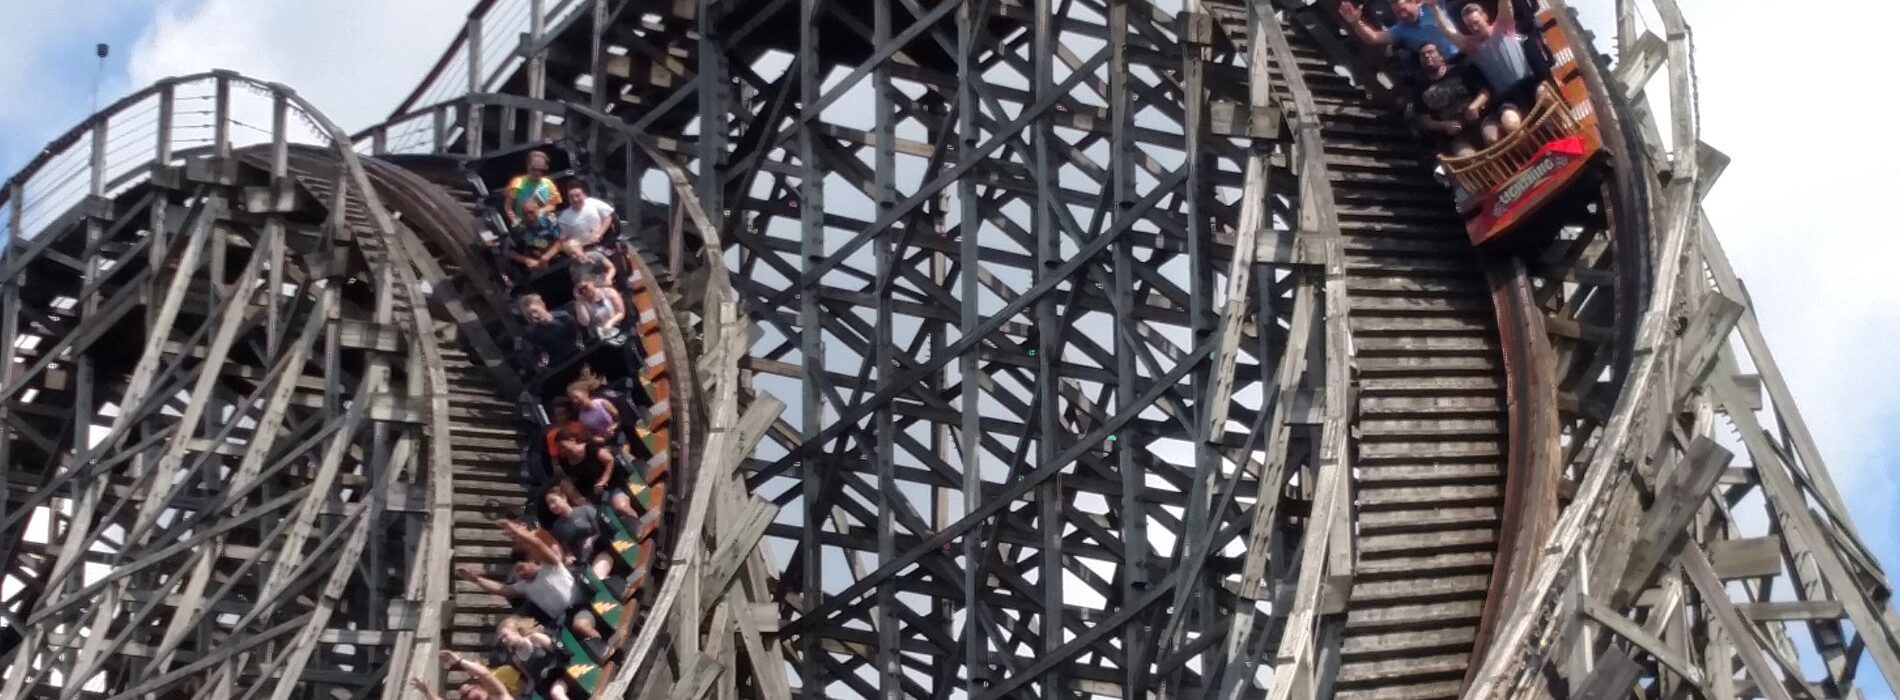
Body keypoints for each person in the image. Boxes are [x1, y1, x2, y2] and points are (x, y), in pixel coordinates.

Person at [453, 519, 605, 642]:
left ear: (532, 561)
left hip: (580, 608)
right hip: (561, 623)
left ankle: (603, 647)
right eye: (516, 572)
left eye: (521, 568)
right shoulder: (524, 586)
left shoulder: (550, 566)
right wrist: (476, 579)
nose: (520, 574)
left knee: (581, 626)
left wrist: (517, 531)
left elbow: (536, 544)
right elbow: (502, 590)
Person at [1433, 0, 1533, 136]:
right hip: (1507, 97)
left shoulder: (1503, 26)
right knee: (1511, 124)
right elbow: (1448, 31)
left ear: (1485, 16)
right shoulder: (1471, 45)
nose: (1474, 28)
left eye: (1476, 22)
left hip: (1529, 83)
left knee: (1547, 96)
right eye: (1469, 26)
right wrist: (1433, 6)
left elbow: (1505, 4)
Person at [1407, 43, 1493, 154]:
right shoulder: (1419, 89)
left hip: (1482, 119)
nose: (1427, 56)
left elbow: (1485, 91)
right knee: (1467, 157)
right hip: (1456, 136)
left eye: (1431, 52)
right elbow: (1424, 120)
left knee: (1492, 138)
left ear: (1441, 56)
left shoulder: (1461, 70)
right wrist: (1444, 126)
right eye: (1423, 55)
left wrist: (1474, 106)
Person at [501, 151, 566, 272]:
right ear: (528, 167)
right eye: (533, 169)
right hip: (522, 221)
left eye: (540, 170)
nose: (536, 172)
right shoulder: (518, 183)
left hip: (543, 220)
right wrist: (514, 219)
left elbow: (553, 205)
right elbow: (508, 206)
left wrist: (540, 212)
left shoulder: (548, 184)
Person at [1336, 0, 1461, 59]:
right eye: (1398, 13)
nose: (1402, 15)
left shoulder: (1431, 5)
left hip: (1462, 51)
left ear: (1414, 2)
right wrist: (1356, 23)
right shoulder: (1401, 29)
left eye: (1404, 10)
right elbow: (1373, 38)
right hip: (1443, 66)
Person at [520, 294, 583, 369]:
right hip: (558, 366)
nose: (533, 316)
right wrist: (545, 365)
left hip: (579, 354)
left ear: (542, 305)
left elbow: (579, 333)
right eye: (529, 314)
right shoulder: (531, 333)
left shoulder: (563, 317)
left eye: (535, 311)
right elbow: (537, 356)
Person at [556, 181, 618, 248]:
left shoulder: (592, 202)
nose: (575, 199)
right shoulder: (564, 217)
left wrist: (599, 234)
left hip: (604, 241)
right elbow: (563, 239)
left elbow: (608, 217)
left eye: (577, 196)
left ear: (584, 195)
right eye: (571, 197)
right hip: (584, 249)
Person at [571, 278, 627, 342]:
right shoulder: (581, 303)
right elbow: (585, 322)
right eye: (580, 290)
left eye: (585, 287)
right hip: (599, 337)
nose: (584, 291)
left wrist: (610, 323)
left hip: (617, 329)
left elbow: (621, 313)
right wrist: (579, 301)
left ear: (591, 283)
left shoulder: (609, 292)